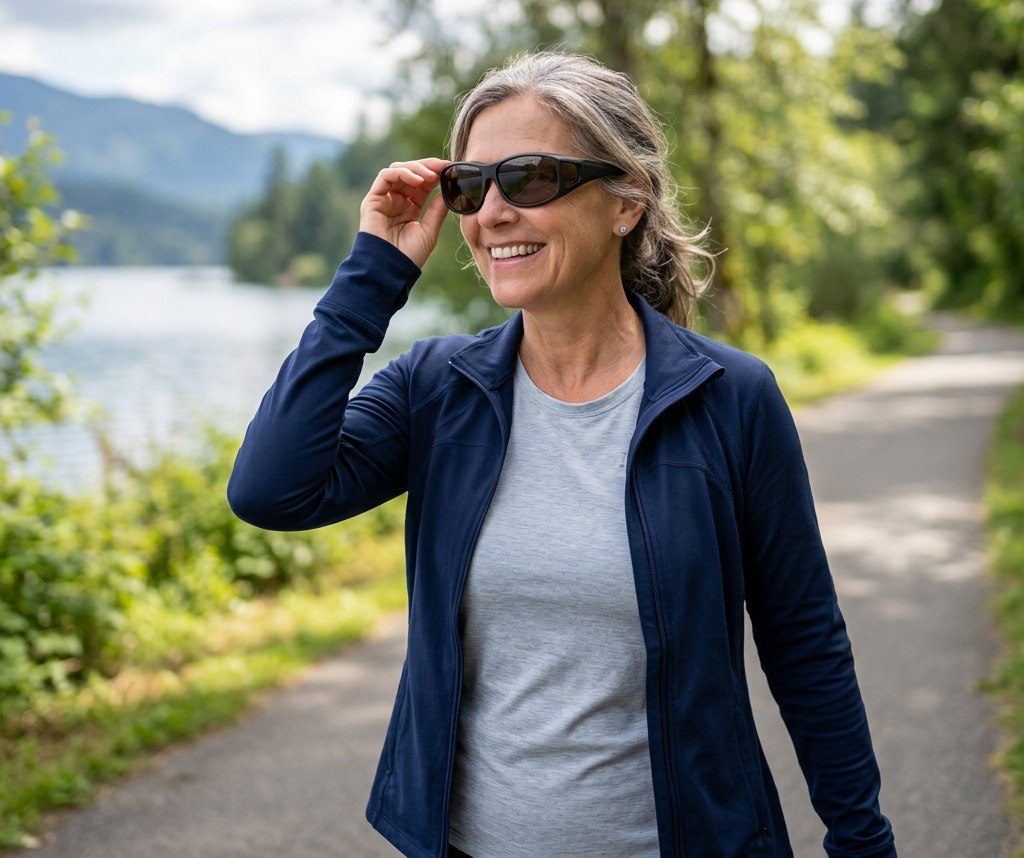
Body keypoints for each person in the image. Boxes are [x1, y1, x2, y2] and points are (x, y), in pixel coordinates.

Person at [227, 51, 895, 858]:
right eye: (472, 186)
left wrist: (862, 843)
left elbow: (804, 644)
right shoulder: (437, 391)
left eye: (532, 178)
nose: (493, 212)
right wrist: (375, 270)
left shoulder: (731, 399)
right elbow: (270, 490)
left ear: (625, 203)